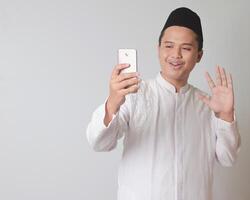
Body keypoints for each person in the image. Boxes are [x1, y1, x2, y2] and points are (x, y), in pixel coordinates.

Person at [86, 7, 241, 200]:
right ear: (158, 49)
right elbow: (99, 143)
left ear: (199, 55)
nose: (175, 54)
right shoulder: (134, 94)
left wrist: (226, 116)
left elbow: (228, 158)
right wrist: (112, 104)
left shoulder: (208, 105)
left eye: (186, 48)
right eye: (168, 46)